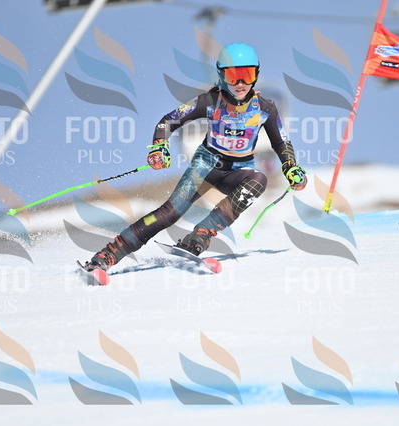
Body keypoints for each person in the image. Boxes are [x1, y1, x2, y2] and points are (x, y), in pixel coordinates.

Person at [82, 42, 307, 273]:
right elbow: (168, 121)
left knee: (259, 179)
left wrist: (291, 167)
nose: (240, 83)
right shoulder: (210, 101)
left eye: (247, 75)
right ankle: (109, 254)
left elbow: (281, 142)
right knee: (169, 214)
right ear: (222, 75)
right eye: (233, 76)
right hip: (206, 166)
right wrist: (159, 146)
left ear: (256, 75)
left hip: (238, 171)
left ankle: (201, 234)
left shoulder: (265, 108)